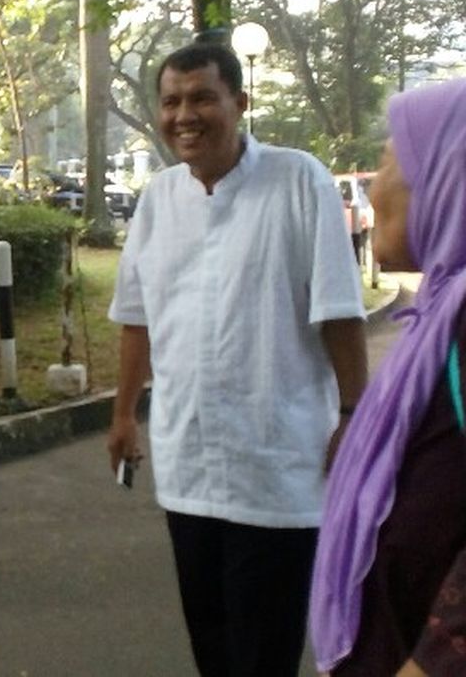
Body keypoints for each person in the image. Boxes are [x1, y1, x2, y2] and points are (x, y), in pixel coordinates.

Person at [106, 41, 368, 677]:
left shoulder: (297, 179)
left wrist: (357, 414)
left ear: (240, 104)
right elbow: (138, 317)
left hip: (275, 466)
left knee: (263, 653)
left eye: (202, 98)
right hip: (187, 464)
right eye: (171, 101)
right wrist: (122, 416)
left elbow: (337, 309)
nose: (183, 115)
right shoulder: (159, 200)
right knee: (213, 645)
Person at [310, 78, 466, 677]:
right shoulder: (440, 316)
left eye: (389, 157)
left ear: (447, 174)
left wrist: (431, 660)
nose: (374, 184)